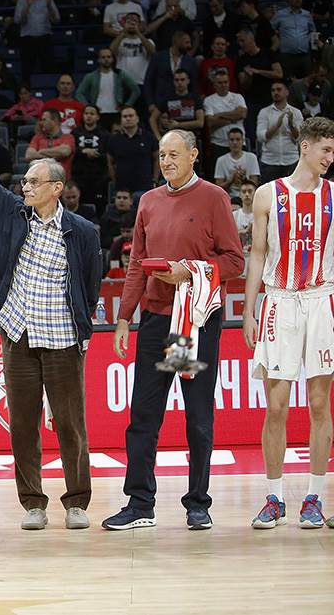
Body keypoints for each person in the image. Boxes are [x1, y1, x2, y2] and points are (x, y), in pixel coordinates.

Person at [0, 81, 104, 531]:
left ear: (56, 188)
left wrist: (80, 324)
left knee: (70, 425)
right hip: (17, 333)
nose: (24, 186)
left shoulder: (83, 231)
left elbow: (90, 286)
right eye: (24, 181)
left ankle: (77, 502)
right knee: (22, 424)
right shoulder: (11, 213)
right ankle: (33, 504)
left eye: (33, 182)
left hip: (63, 337)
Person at [103, 129, 244, 531]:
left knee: (197, 415)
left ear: (194, 155)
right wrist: (124, 318)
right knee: (144, 415)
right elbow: (136, 263)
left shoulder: (214, 198)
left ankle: (198, 503)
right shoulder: (148, 201)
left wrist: (191, 271)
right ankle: (139, 503)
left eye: (174, 154)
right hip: (156, 320)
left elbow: (235, 260)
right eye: (162, 155)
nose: (166, 161)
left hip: (194, 321)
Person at [242, 117, 334, 530]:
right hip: (280, 301)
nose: (330, 158)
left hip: (320, 300)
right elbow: (257, 254)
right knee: (277, 405)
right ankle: (274, 497)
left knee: (319, 404)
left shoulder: (333, 195)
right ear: (305, 147)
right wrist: (249, 310)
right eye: (325, 150)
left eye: (333, 152)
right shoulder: (268, 194)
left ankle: (314, 497)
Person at [257, 81, 303, 184]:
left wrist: (291, 125)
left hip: (291, 160)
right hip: (269, 161)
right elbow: (260, 136)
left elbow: (299, 137)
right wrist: (277, 126)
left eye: (279, 89)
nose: (275, 92)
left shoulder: (296, 112)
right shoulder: (264, 112)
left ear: (287, 92)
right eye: (273, 90)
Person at [213, 128, 259, 196]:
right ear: (228, 142)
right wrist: (231, 179)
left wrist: (244, 179)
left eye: (238, 139)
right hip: (228, 197)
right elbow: (218, 187)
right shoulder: (221, 160)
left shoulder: (252, 157)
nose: (235, 143)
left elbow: (255, 183)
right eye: (232, 140)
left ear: (243, 141)